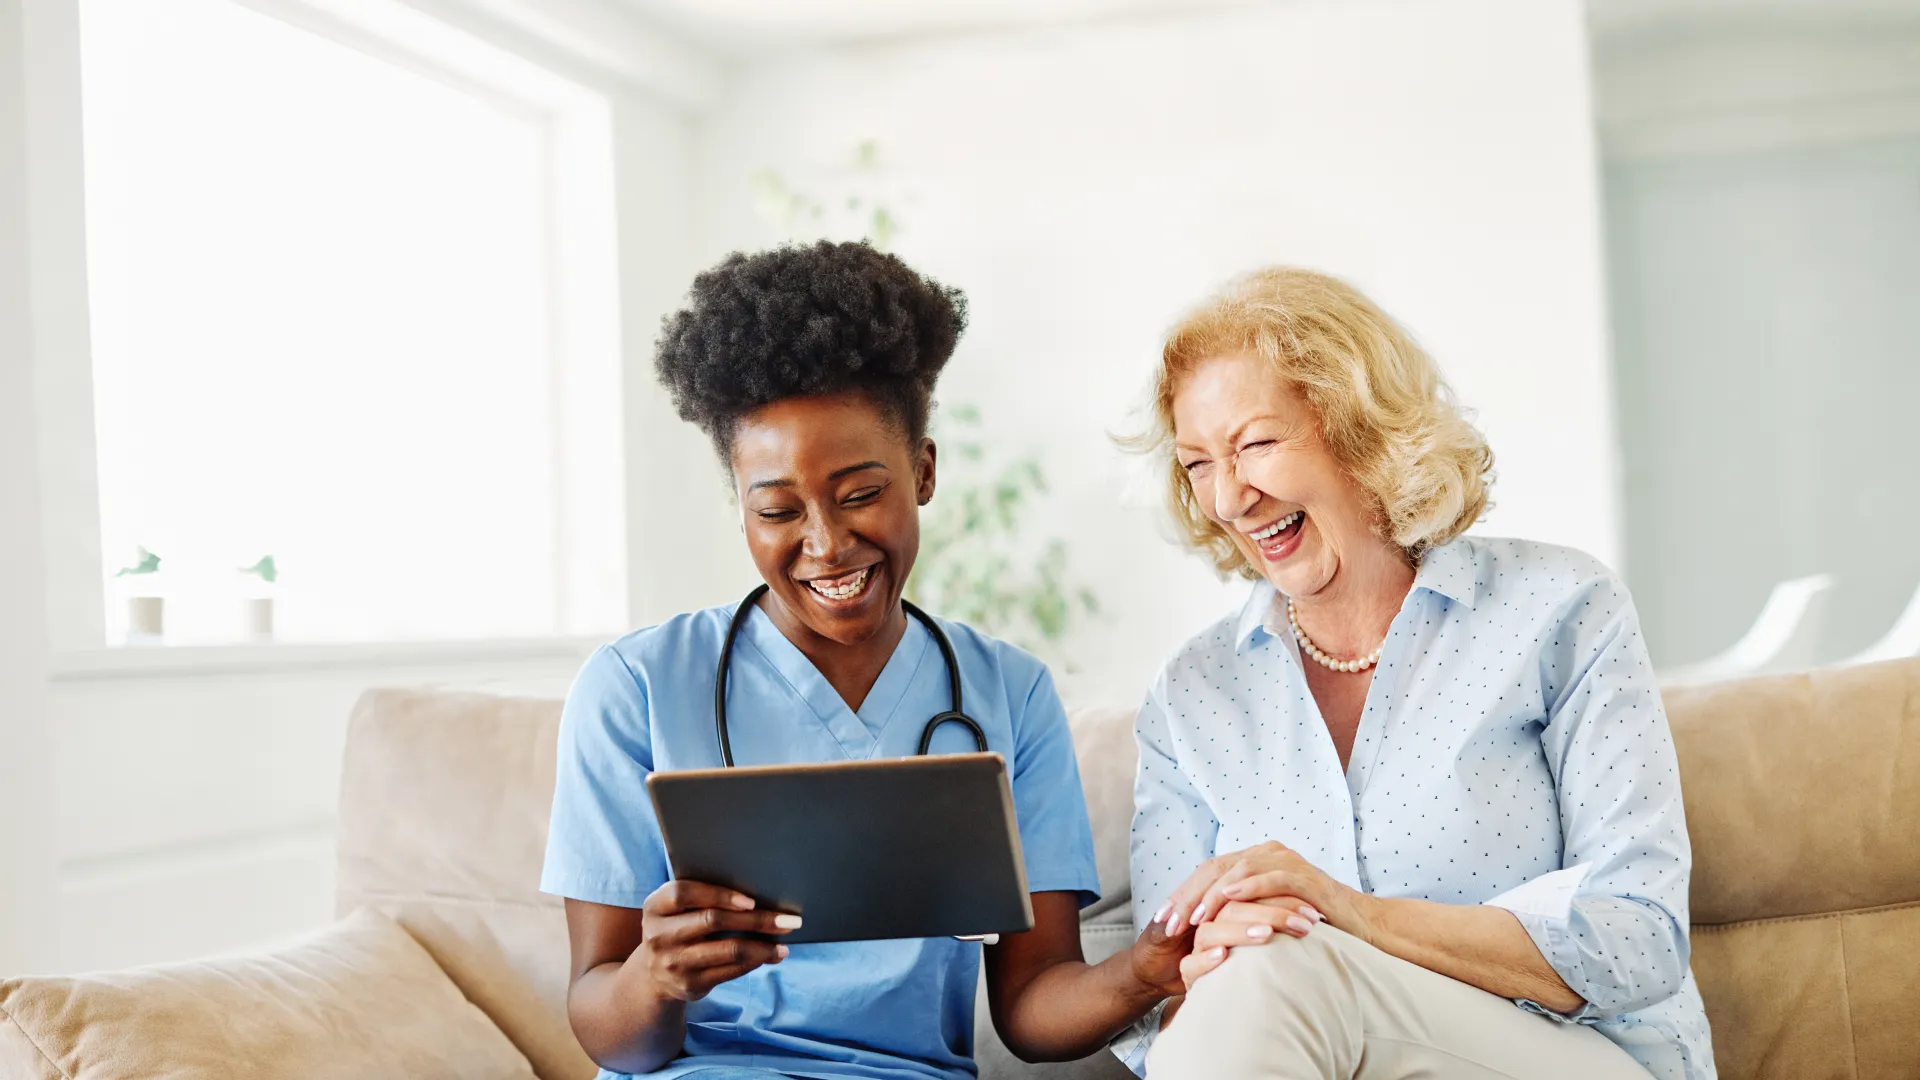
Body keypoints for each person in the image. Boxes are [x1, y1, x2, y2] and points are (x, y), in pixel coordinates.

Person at [540, 241, 1187, 1080]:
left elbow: (1030, 1010)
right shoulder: (635, 690)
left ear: (921, 471)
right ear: (740, 507)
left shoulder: (1008, 693)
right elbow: (607, 1028)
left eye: (859, 495)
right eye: (776, 509)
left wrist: (1141, 974)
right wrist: (653, 979)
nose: (825, 544)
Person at [1111, 267, 1714, 1080]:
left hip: (1578, 1058)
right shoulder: (1192, 696)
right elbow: (1173, 1013)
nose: (1228, 498)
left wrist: (1349, 917)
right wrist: (1191, 971)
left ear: (1359, 429)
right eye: (1197, 465)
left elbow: (1639, 938)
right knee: (1256, 969)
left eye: (1256, 445)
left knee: (1281, 963)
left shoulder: (1559, 608)